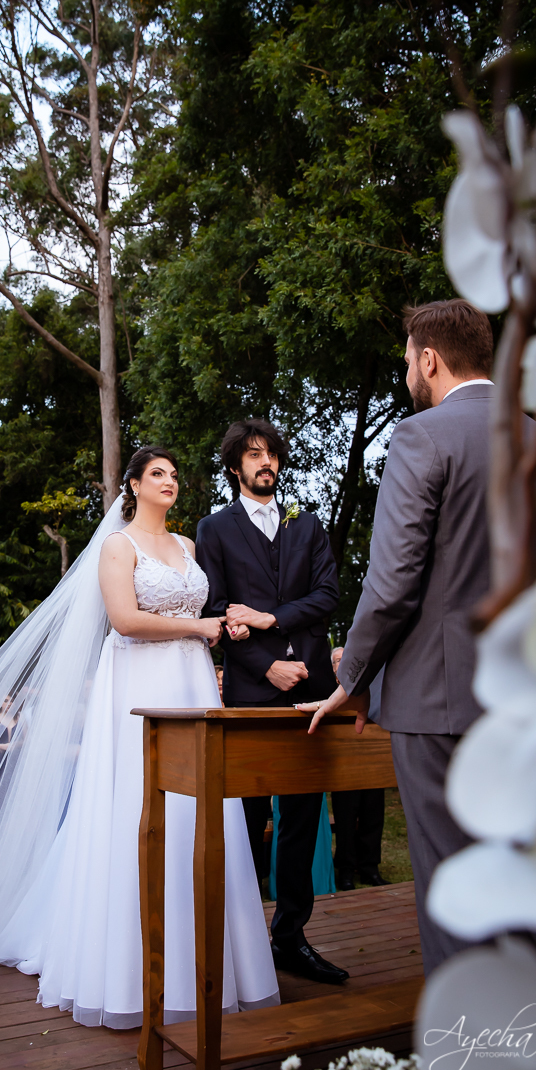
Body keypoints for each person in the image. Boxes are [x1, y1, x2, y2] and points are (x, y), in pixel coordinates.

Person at [0, 446, 280, 1031]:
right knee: (140, 805)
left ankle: (209, 963)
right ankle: (125, 966)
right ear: (132, 485)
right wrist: (199, 626)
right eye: (156, 474)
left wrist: (226, 624)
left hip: (191, 681)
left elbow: (198, 610)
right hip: (138, 683)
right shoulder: (118, 547)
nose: (169, 482)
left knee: (200, 808)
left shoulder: (187, 548)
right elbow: (125, 620)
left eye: (175, 475)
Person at [299, 298, 502, 976]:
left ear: (430, 359)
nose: (409, 374)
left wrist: (349, 678)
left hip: (443, 703)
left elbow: (391, 587)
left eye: (408, 361)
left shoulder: (423, 436)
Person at [195, 418, 347, 986]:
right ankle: (239, 942)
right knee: (247, 817)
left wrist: (275, 619)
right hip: (252, 692)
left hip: (310, 694)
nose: (265, 463)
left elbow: (328, 594)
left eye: (271, 455)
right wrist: (267, 664)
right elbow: (216, 607)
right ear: (235, 467)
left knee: (302, 817)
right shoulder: (215, 529)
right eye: (253, 455)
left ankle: (290, 937)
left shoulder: (306, 524)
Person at [329, 647, 388, 891]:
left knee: (373, 817)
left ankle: (370, 868)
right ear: (332, 666)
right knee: (345, 820)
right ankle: (345, 871)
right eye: (337, 660)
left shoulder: (369, 685)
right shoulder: (328, 690)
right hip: (342, 765)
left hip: (372, 760)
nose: (342, 663)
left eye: (346, 658)